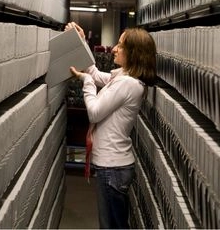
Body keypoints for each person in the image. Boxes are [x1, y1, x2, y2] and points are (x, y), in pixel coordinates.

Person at [65, 21, 157, 229]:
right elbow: (96, 73)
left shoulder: (127, 84)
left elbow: (95, 113)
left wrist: (86, 82)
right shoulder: (124, 79)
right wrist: (82, 42)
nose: (114, 49)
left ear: (134, 53)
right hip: (114, 166)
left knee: (112, 226)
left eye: (120, 45)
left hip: (113, 168)